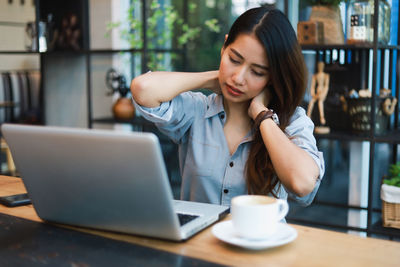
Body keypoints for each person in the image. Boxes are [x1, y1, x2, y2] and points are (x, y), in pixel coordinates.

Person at [130, 7, 325, 207]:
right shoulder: (197, 110)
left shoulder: (293, 121)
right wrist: (212, 78)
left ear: (273, 77)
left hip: (261, 239)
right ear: (224, 47)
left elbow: (302, 184)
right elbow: (142, 89)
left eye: (257, 72)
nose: (238, 78)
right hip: (198, 238)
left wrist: (261, 115)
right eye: (234, 60)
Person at [307, 61, 330, 126]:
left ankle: (322, 118)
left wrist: (323, 94)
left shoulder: (326, 75)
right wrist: (313, 94)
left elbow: (326, 86)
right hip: (317, 93)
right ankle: (308, 116)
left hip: (322, 93)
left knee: (320, 103)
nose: (320, 67)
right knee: (311, 102)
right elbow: (312, 86)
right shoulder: (315, 76)